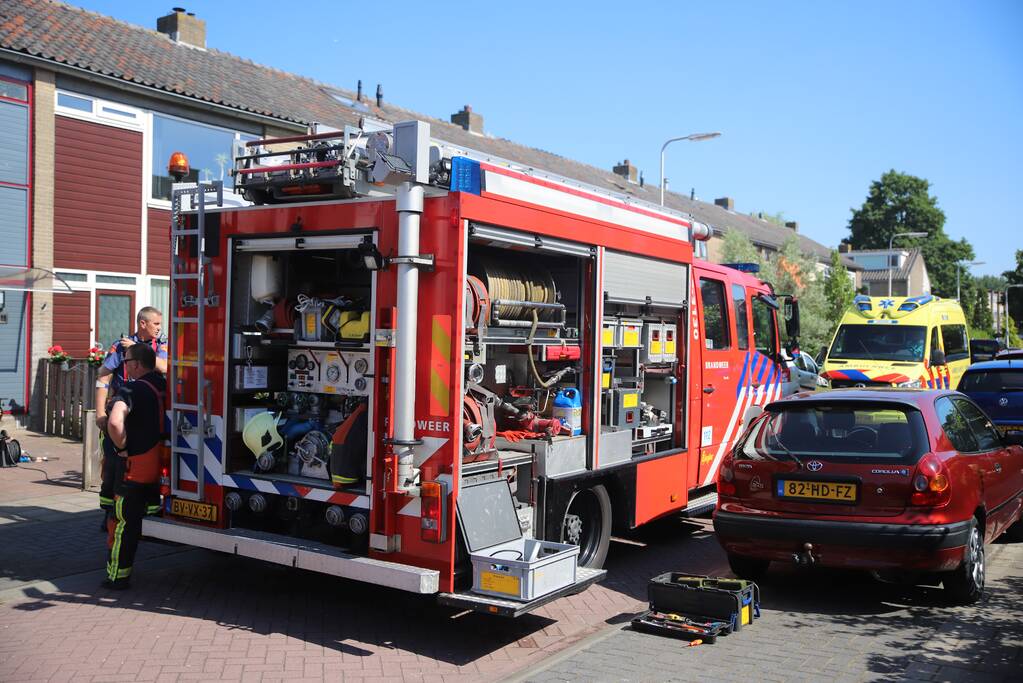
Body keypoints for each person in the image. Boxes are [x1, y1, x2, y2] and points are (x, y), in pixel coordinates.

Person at [95, 307, 168, 525]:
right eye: (156, 324)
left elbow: (164, 368)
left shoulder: (159, 345)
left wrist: (136, 350)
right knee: (113, 464)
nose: (159, 328)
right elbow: (103, 377)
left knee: (148, 462)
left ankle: (151, 509)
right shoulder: (119, 347)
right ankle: (110, 513)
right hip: (121, 411)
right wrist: (100, 413)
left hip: (145, 415)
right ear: (142, 324)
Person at [103, 343, 166, 590]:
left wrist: (121, 448)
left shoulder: (131, 389)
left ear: (137, 364)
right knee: (144, 514)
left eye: (126, 361)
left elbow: (116, 422)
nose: (124, 365)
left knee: (121, 523)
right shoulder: (164, 386)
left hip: (134, 467)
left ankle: (117, 576)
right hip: (159, 465)